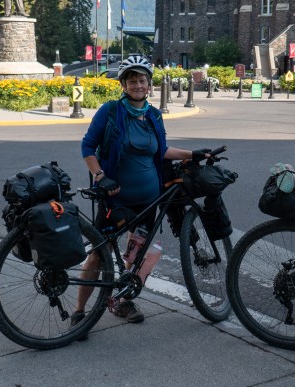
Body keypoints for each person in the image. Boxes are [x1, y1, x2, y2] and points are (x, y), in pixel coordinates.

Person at [75, 56, 206, 331]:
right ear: (123, 85)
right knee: (98, 254)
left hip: (148, 201)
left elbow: (162, 151)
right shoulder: (111, 112)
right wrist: (100, 176)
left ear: (149, 85)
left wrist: (193, 153)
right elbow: (87, 147)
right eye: (132, 80)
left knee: (137, 255)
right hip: (115, 199)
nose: (137, 85)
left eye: (142, 80)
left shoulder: (154, 115)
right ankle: (80, 311)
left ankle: (123, 301)